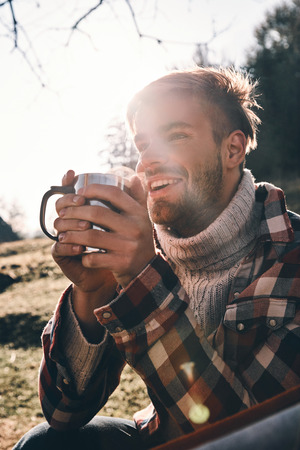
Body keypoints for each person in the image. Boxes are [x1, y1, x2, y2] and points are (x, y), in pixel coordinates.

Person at [14, 67, 300, 449]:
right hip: (159, 435)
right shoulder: (144, 249)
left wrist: (142, 279)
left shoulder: (291, 258)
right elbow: (63, 412)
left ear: (232, 149)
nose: (147, 162)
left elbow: (253, 439)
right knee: (44, 443)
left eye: (176, 135)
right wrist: (92, 292)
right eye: (143, 144)